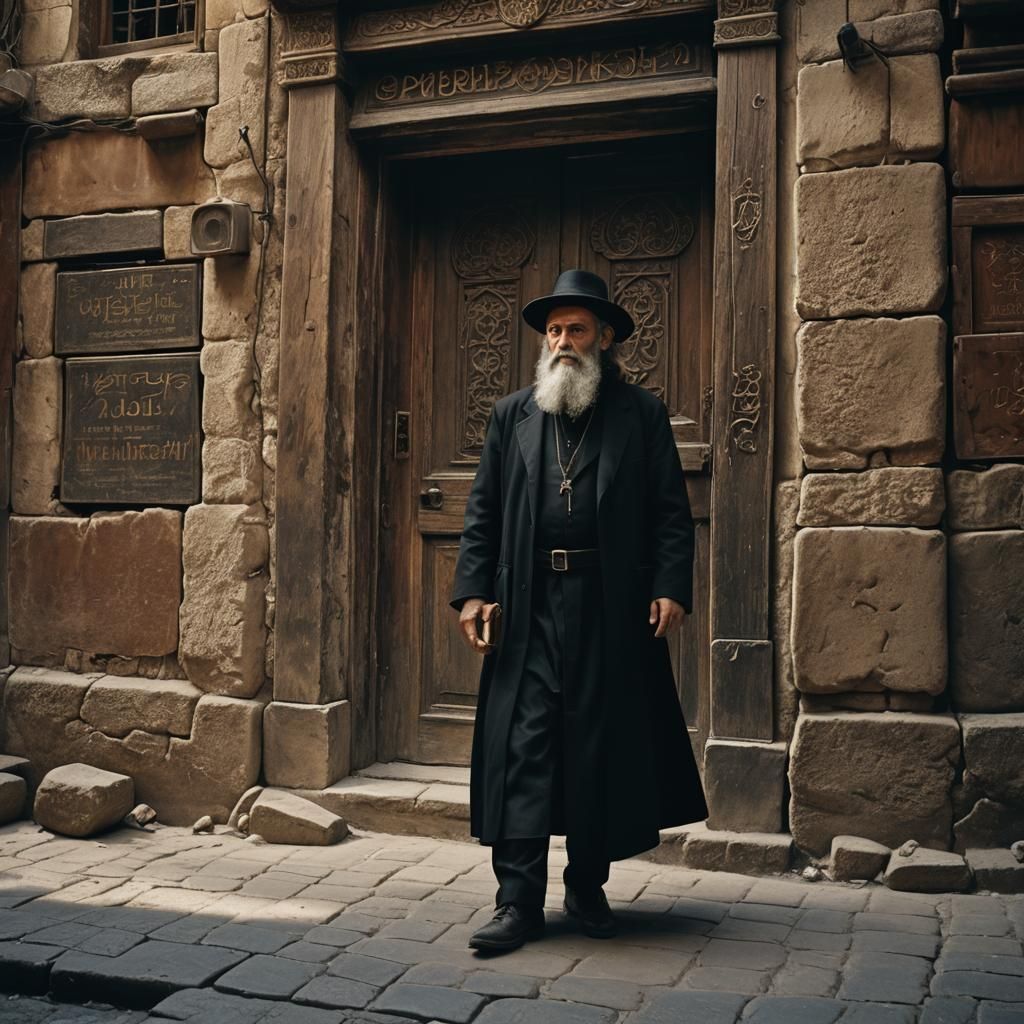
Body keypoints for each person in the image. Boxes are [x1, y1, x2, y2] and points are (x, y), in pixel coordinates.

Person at [449, 268, 708, 953]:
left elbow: (669, 515)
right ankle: (516, 902)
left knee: (598, 747)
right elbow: (482, 513)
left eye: (577, 330)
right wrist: (473, 591)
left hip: (608, 607)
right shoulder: (513, 414)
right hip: (528, 604)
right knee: (525, 746)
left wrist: (672, 585)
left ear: (606, 339)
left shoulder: (641, 415)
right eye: (554, 331)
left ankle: (587, 887)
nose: (563, 341)